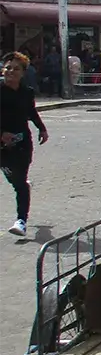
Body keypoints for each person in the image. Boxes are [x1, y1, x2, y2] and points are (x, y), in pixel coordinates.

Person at [0, 53, 49, 237]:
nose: (11, 71)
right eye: (8, 68)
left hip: (22, 144)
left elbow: (31, 112)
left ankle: (21, 221)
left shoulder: (26, 92)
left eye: (16, 69)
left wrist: (42, 129)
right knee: (14, 179)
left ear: (23, 73)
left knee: (19, 183)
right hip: (1, 145)